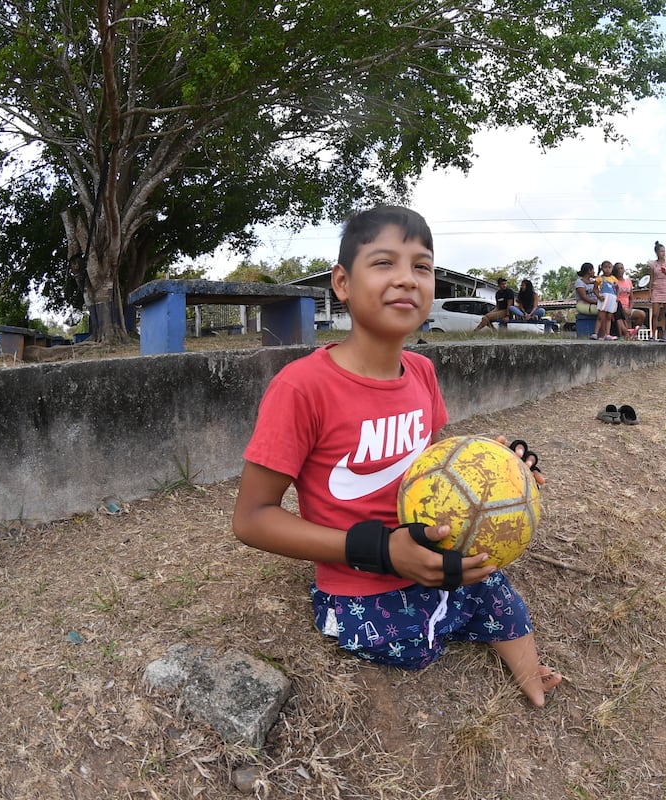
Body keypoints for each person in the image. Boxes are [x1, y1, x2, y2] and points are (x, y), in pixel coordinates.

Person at [231, 206, 561, 706]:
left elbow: (436, 468)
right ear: (342, 282)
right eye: (384, 262)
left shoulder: (422, 372)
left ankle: (530, 675)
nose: (407, 279)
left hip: (432, 554)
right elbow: (252, 519)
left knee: (492, 587)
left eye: (421, 266)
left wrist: (496, 471)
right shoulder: (301, 388)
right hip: (359, 582)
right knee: (410, 645)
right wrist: (385, 551)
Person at [648, 241, 666, 340]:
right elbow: (651, 278)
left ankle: (665, 334)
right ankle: (653, 334)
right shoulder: (653, 264)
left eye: (664, 251)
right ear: (656, 252)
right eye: (661, 251)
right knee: (655, 313)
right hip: (657, 288)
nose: (663, 253)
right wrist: (650, 292)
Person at [613, 262, 644, 336]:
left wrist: (630, 308)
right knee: (624, 313)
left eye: (621, 268)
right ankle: (627, 334)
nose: (620, 270)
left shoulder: (628, 281)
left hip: (628, 307)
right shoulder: (614, 281)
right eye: (618, 269)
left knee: (642, 314)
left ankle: (632, 332)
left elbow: (631, 298)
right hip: (618, 307)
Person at [573, 262, 601, 337]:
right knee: (602, 312)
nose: (594, 272)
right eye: (593, 270)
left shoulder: (592, 281)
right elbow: (584, 297)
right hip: (583, 304)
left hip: (594, 304)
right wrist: (596, 302)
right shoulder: (579, 282)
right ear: (589, 271)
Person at [595, 260, 620, 340]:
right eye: (605, 267)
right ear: (602, 268)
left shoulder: (614, 279)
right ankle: (595, 333)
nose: (607, 269)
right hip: (603, 298)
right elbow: (595, 289)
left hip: (612, 299)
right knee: (600, 316)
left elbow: (617, 288)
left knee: (609, 317)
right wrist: (598, 296)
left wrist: (617, 297)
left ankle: (607, 334)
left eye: (609, 267)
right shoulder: (599, 278)